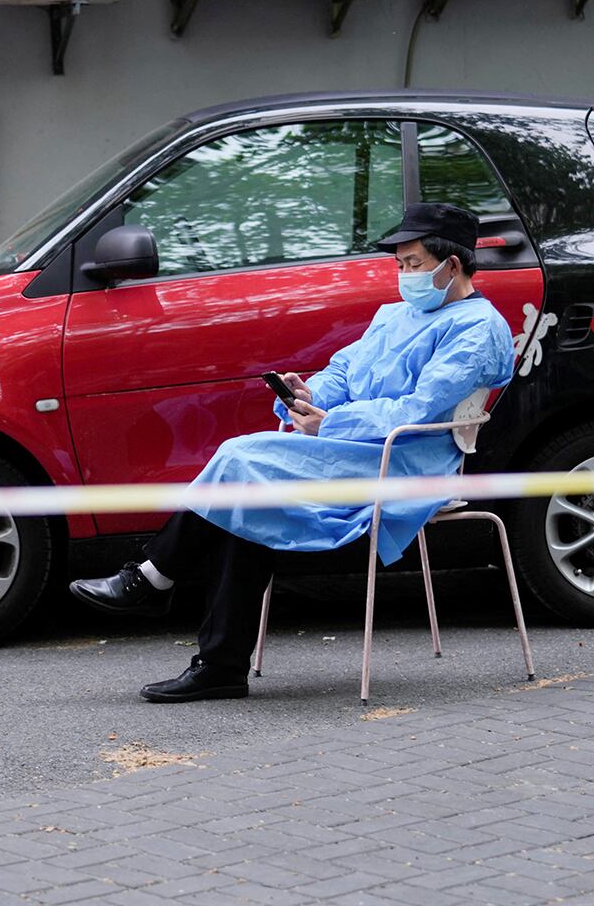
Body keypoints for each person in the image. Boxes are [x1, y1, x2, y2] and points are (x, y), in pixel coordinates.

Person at [69, 202, 516, 703]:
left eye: (412, 264)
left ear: (451, 265)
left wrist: (334, 422)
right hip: (351, 448)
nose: (404, 276)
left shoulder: (477, 329)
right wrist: (308, 395)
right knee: (251, 497)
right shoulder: (396, 314)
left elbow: (417, 411)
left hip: (406, 461)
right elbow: (345, 370)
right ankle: (218, 664)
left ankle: (152, 581)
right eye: (399, 266)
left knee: (240, 458)